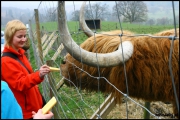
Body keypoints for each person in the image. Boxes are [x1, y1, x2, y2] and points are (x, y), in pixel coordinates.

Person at [1, 19, 51, 119]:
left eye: (24, 36)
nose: (24, 39)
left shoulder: (21, 54)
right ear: (10, 37)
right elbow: (20, 83)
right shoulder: (5, 62)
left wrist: (39, 72)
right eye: (19, 36)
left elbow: (28, 76)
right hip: (26, 113)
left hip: (35, 106)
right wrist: (38, 75)